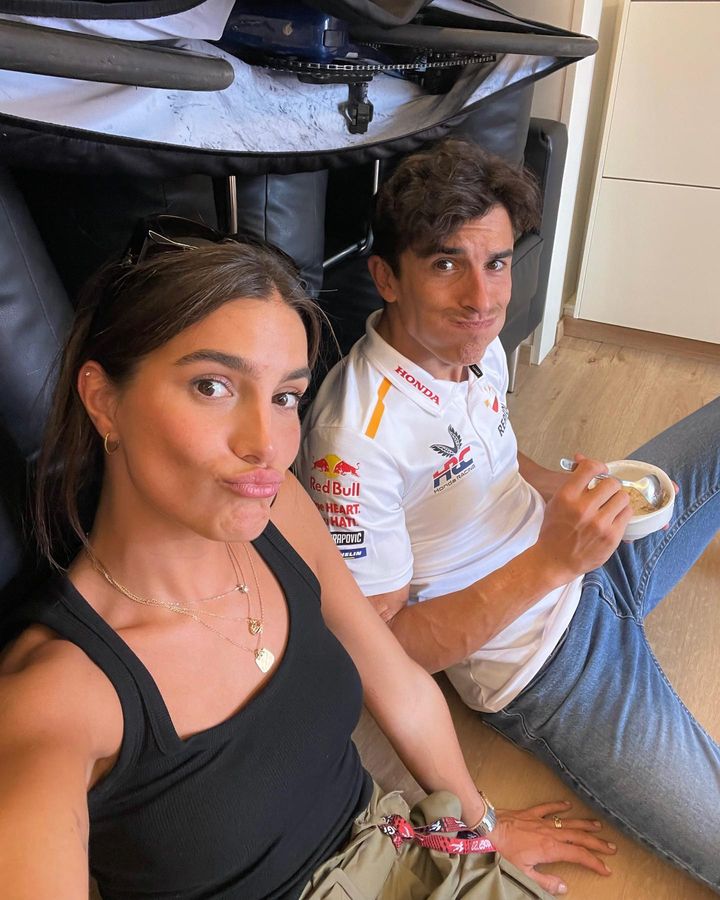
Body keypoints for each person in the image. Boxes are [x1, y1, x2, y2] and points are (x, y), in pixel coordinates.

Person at [0, 223, 615, 900]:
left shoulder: (278, 513)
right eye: (212, 386)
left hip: (402, 851)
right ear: (103, 401)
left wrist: (481, 827)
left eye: (285, 397)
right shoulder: (55, 697)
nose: (267, 444)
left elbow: (397, 683)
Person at [297, 139, 720, 892]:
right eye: (446, 264)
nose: (482, 298)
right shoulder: (352, 441)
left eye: (496, 262)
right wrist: (553, 561)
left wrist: (571, 492)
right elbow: (385, 653)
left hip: (595, 554)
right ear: (386, 278)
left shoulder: (475, 345)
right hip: (547, 664)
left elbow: (497, 459)